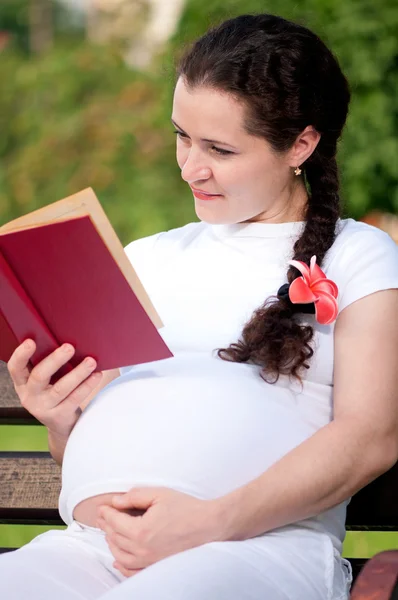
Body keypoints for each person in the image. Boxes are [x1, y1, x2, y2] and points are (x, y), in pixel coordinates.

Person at [1, 12, 398, 600]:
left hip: (253, 553)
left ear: (301, 144)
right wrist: (63, 420)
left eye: (219, 148)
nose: (190, 167)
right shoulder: (145, 257)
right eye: (182, 136)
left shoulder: (358, 255)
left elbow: (371, 437)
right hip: (88, 550)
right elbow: (93, 442)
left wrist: (207, 522)